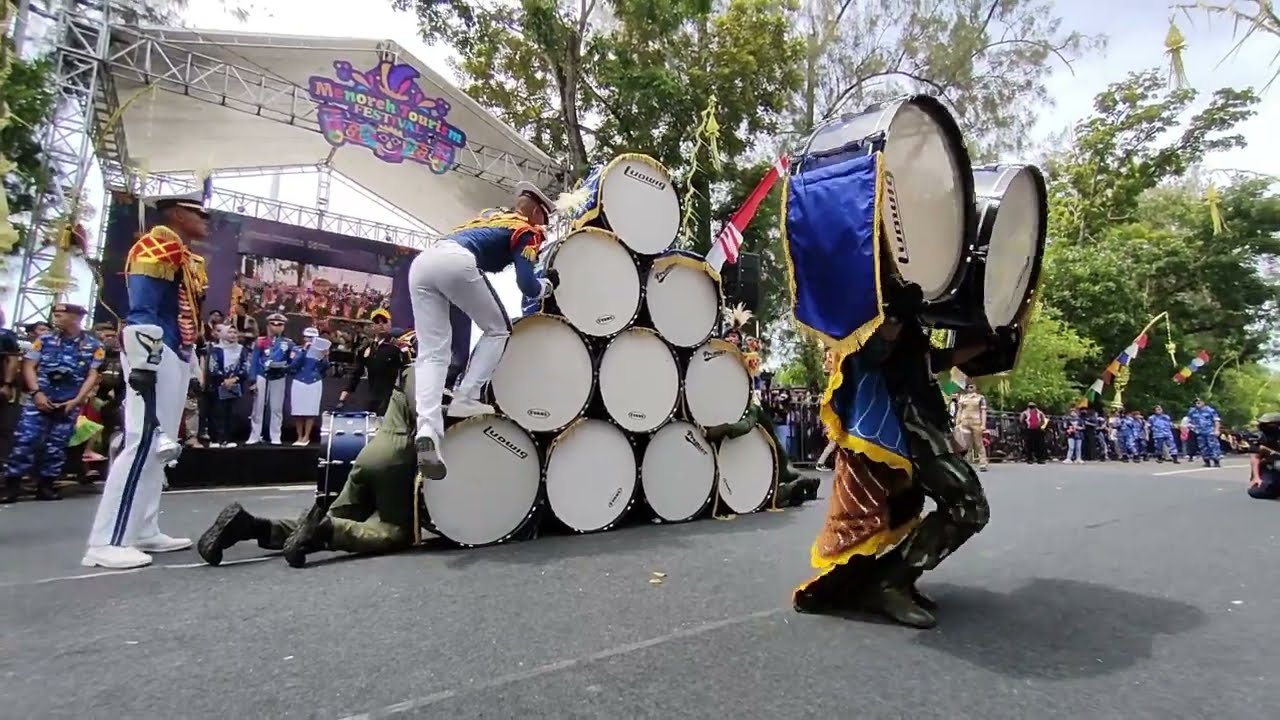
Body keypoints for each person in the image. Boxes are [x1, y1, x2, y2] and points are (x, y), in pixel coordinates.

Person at [793, 292, 997, 629]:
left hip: (922, 420)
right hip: (897, 425)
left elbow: (924, 361)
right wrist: (892, 316)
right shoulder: (869, 288)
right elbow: (870, 354)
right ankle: (889, 583)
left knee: (943, 506)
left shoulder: (915, 298)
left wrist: (988, 345)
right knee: (968, 505)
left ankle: (889, 578)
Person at [198, 331, 422, 568]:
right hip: (395, 457)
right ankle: (325, 531)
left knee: (336, 517)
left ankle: (250, 526)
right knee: (393, 531)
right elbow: (424, 419)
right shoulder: (421, 374)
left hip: (371, 452)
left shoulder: (405, 374)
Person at [84, 191, 209, 569]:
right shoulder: (155, 247)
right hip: (153, 350)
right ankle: (107, 540)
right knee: (142, 441)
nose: (206, 220)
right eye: (197, 213)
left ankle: (143, 528)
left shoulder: (182, 254)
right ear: (175, 213)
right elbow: (141, 310)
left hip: (175, 351)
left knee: (161, 447)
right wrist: (144, 360)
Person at [408, 183, 560, 480]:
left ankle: (427, 428)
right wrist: (548, 285)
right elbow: (527, 286)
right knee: (499, 329)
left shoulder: (490, 217)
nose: (546, 224)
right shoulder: (526, 231)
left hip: (423, 263)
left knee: (432, 352)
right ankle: (467, 395)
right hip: (456, 262)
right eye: (545, 217)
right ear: (537, 211)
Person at [1, 304, 104, 503]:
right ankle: (12, 485)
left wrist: (76, 400)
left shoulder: (93, 345)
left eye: (60, 315)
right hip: (40, 398)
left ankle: (46, 485)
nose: (56, 319)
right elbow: (29, 366)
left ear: (75, 317)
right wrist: (36, 393)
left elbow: (92, 375)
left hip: (68, 401)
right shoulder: (44, 340)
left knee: (56, 444)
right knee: (25, 440)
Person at [337, 308, 406, 415]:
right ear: (372, 326)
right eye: (377, 322)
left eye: (384, 321)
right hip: (372, 397)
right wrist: (344, 395)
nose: (381, 324)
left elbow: (406, 371)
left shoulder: (398, 347)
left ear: (390, 324)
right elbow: (357, 373)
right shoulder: (367, 348)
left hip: (392, 398)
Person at [246, 313, 295, 445]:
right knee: (258, 406)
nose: (276, 327)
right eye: (273, 324)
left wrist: (286, 367)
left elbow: (291, 361)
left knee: (276, 407)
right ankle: (255, 434)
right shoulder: (260, 341)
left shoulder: (288, 343)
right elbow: (255, 360)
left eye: (280, 325)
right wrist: (252, 380)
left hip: (278, 376)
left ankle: (275, 435)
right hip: (262, 374)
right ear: (268, 325)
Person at [206, 322, 248, 447]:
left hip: (235, 384)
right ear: (223, 334)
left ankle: (228, 439)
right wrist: (224, 379)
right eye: (230, 332)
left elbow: (246, 365)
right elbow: (212, 366)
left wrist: (235, 379)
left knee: (232, 412)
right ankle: (216, 439)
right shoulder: (216, 349)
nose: (233, 335)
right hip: (219, 384)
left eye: (235, 332)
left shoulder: (241, 349)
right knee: (218, 411)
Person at [289, 327, 328, 445]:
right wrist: (303, 352)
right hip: (299, 380)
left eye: (312, 338)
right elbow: (293, 366)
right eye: (307, 337)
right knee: (298, 410)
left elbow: (325, 368)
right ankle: (299, 436)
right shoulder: (296, 349)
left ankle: (306, 436)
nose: (309, 340)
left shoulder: (319, 350)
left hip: (314, 381)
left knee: (311, 410)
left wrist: (325, 356)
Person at [954, 383, 989, 471]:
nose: (970, 388)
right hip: (964, 422)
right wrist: (957, 423)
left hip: (976, 422)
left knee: (978, 443)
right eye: (969, 386)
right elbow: (959, 410)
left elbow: (983, 411)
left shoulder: (980, 398)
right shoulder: (963, 398)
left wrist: (983, 424)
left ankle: (983, 463)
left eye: (972, 386)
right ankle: (965, 463)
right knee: (965, 444)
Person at [1247, 412, 1280, 500]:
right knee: (1256, 491)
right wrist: (1256, 478)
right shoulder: (1258, 436)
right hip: (1270, 467)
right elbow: (1255, 458)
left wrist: (1268, 451)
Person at [1187, 398, 1222, 468]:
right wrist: (1192, 428)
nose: (1197, 403)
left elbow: (1216, 420)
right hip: (1199, 432)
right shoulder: (1193, 412)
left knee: (1213, 446)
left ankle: (1216, 461)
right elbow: (1189, 421)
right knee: (1202, 447)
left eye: (1199, 402)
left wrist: (1217, 430)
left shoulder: (1210, 410)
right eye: (1196, 402)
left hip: (1210, 431)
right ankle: (1206, 461)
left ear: (1203, 402)